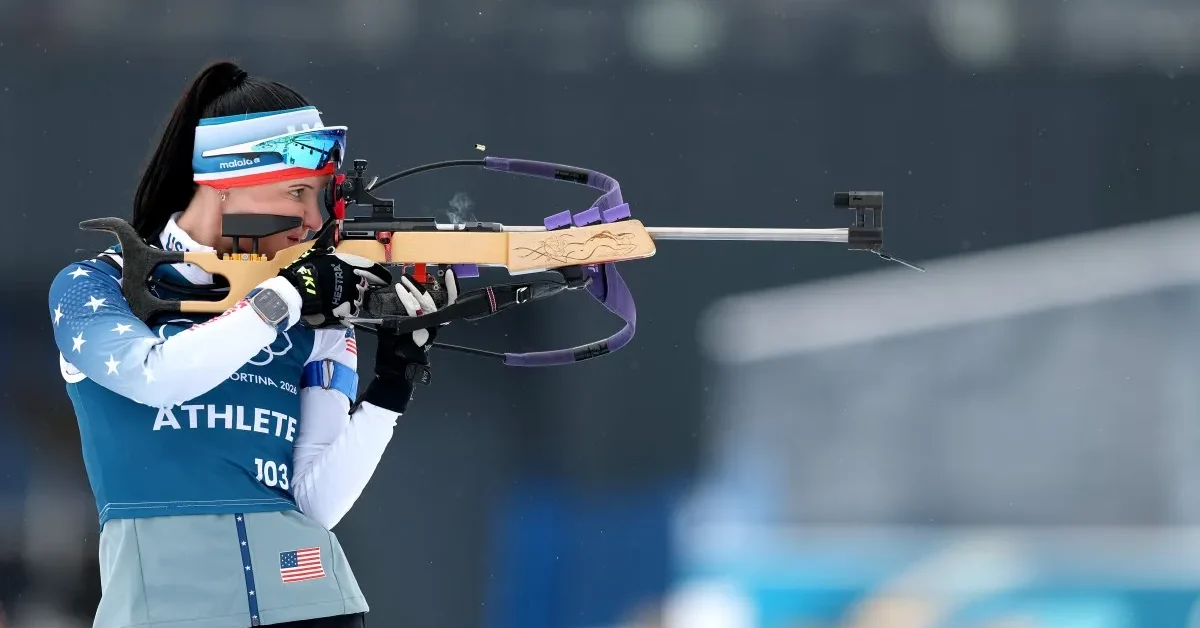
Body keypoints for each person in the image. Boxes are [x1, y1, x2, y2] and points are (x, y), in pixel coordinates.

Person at [47, 60, 456, 628]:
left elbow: (316, 504)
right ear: (225, 182)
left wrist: (394, 382)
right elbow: (154, 376)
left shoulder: (312, 310)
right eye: (297, 193)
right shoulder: (94, 288)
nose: (312, 221)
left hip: (314, 606)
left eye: (321, 199)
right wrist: (283, 298)